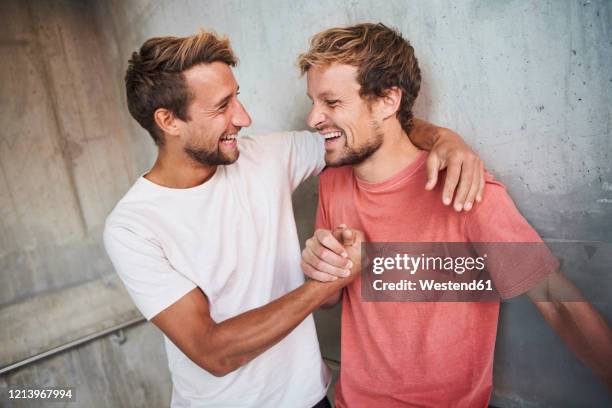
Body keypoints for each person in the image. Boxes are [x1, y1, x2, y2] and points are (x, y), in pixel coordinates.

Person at [103, 29, 485, 407]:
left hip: (312, 397)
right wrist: (327, 282)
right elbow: (212, 350)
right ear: (168, 121)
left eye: (238, 97)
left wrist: (445, 139)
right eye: (222, 107)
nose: (244, 117)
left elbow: (365, 129)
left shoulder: (266, 156)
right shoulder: (133, 226)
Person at [299, 23, 612, 407]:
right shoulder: (333, 183)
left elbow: (557, 302)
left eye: (331, 103)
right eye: (313, 101)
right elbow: (331, 299)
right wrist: (320, 268)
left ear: (386, 101)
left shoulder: (465, 190)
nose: (313, 118)